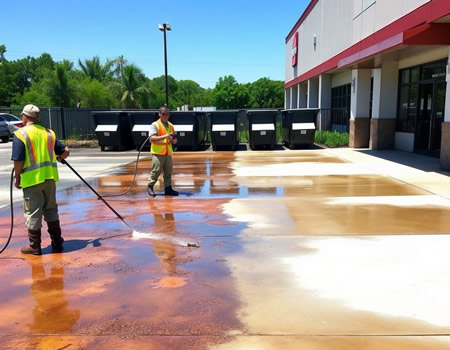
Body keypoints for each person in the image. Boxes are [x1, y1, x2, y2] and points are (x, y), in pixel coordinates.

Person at [11, 104, 70, 255]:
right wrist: (60, 157)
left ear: (24, 117)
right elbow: (66, 151)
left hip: (32, 181)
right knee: (51, 209)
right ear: (37, 118)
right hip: (49, 179)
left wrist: (17, 178)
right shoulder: (49, 133)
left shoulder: (20, 134)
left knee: (33, 212)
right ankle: (57, 241)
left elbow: (18, 161)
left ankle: (34, 246)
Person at [147, 106, 178, 197]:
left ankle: (168, 189)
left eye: (168, 114)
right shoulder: (155, 125)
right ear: (159, 114)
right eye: (164, 114)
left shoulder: (171, 125)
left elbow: (174, 137)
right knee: (156, 171)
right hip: (158, 152)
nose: (166, 116)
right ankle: (150, 186)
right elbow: (152, 138)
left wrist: (174, 141)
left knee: (168, 172)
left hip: (168, 152)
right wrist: (165, 136)